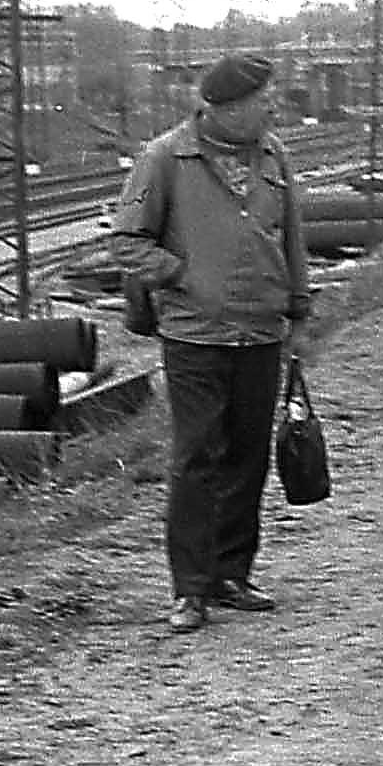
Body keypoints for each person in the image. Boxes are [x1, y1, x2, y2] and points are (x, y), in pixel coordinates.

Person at [109, 51, 311, 634]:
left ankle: (232, 574)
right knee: (198, 457)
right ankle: (190, 589)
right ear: (223, 109)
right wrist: (182, 275)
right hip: (194, 335)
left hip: (261, 331)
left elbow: (293, 237)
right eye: (262, 100)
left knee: (248, 456)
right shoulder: (165, 158)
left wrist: (299, 311)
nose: (272, 108)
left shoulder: (275, 155)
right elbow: (127, 241)